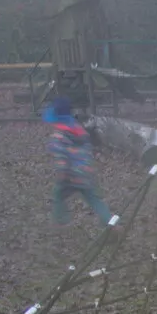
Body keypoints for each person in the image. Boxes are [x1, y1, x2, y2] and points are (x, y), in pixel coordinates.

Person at [45, 96, 115, 227]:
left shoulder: (59, 136)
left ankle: (61, 220)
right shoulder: (79, 130)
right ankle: (110, 223)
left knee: (58, 194)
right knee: (94, 200)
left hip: (70, 176)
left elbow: (62, 160)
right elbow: (87, 148)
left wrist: (61, 177)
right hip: (85, 173)